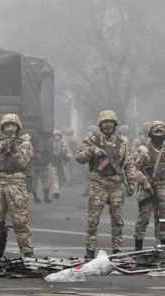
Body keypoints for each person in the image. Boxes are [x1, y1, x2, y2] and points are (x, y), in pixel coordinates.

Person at [75, 110, 136, 258]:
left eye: (110, 122)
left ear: (115, 124)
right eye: (105, 122)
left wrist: (131, 182)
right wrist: (92, 150)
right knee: (93, 219)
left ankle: (117, 250)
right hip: (99, 183)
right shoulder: (92, 140)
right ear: (100, 124)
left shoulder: (122, 142)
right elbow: (79, 158)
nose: (108, 125)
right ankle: (90, 250)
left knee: (118, 220)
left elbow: (129, 163)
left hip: (116, 184)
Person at [0, 113, 35, 258]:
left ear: (17, 127)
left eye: (12, 125)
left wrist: (14, 150)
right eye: (6, 126)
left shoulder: (25, 144)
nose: (9, 128)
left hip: (16, 183)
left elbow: (22, 164)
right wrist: (2, 145)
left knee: (20, 220)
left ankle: (27, 252)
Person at [133, 121, 165, 250]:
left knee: (163, 219)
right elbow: (134, 169)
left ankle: (162, 245)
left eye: (161, 132)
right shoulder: (143, 149)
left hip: (162, 187)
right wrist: (144, 182)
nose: (158, 134)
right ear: (151, 133)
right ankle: (138, 246)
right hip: (148, 188)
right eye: (156, 131)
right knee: (144, 218)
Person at [29, 132, 54, 203]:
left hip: (36, 165)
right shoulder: (48, 141)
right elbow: (50, 153)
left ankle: (36, 197)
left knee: (35, 182)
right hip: (42, 165)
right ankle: (45, 197)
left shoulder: (33, 141)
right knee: (45, 181)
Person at [49, 130, 71, 198]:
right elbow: (48, 153)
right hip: (54, 163)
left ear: (60, 136)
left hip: (62, 163)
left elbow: (68, 152)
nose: (57, 137)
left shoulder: (64, 144)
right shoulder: (51, 144)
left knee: (61, 178)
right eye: (56, 135)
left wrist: (67, 158)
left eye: (58, 136)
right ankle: (56, 191)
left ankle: (58, 188)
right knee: (54, 177)